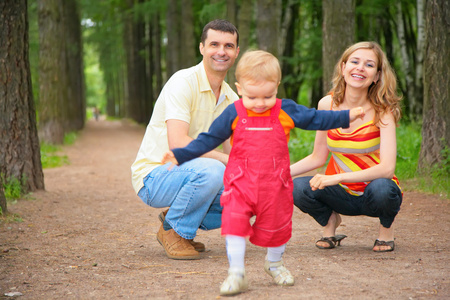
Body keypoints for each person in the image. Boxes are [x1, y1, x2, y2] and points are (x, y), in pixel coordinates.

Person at [161, 50, 365, 296]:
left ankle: (275, 263)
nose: (259, 103)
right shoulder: (234, 112)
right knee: (234, 224)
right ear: (239, 88)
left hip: (275, 185)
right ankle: (236, 274)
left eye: (268, 96)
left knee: (276, 227)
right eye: (251, 97)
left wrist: (346, 115)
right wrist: (181, 154)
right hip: (240, 184)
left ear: (277, 87)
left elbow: (315, 118)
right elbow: (209, 139)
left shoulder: (285, 110)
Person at [131, 19, 240, 260]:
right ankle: (175, 230)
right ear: (202, 48)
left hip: (192, 174)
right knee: (213, 169)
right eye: (214, 44)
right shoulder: (183, 82)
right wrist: (224, 160)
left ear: (236, 52)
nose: (221, 51)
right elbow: (178, 143)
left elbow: (236, 153)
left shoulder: (232, 99)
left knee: (249, 190)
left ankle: (180, 222)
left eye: (229, 46)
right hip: (155, 176)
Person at [290, 41, 403, 253]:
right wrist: (280, 173)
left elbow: (387, 169)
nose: (360, 68)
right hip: (340, 194)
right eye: (355, 61)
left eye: (369, 65)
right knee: (298, 188)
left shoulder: (383, 111)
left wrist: (337, 177)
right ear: (343, 68)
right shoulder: (327, 105)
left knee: (383, 188)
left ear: (377, 76)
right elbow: (317, 157)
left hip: (373, 193)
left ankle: (386, 232)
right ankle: (330, 223)